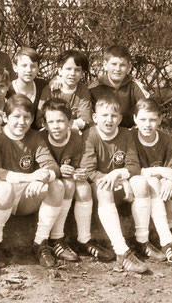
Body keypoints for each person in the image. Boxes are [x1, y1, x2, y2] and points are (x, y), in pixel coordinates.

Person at [0, 94, 64, 268]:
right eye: (16, 116)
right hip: (1, 195)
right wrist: (29, 177)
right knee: (4, 188)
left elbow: (53, 166)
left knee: (57, 186)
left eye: (26, 117)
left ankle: (41, 243)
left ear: (32, 119)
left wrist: (43, 176)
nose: (21, 122)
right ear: (5, 117)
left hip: (25, 198)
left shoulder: (35, 137)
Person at [79, 93, 150, 273]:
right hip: (100, 188)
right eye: (104, 115)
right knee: (104, 189)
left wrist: (120, 175)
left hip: (120, 184)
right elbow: (88, 170)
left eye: (113, 116)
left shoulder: (126, 134)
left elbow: (133, 165)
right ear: (95, 118)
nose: (109, 120)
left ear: (119, 118)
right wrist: (111, 179)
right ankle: (122, 251)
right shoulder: (90, 135)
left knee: (140, 183)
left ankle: (143, 241)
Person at [40, 98, 115, 262]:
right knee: (65, 184)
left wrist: (79, 172)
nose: (56, 126)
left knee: (83, 187)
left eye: (60, 121)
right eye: (51, 122)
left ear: (70, 122)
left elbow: (77, 163)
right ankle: (56, 238)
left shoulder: (76, 139)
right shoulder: (41, 138)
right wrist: (59, 172)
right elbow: (36, 166)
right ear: (45, 124)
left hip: (67, 180)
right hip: (47, 184)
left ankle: (85, 238)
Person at [132, 98, 172, 263]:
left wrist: (171, 181)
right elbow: (131, 168)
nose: (147, 124)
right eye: (142, 119)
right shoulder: (130, 137)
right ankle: (167, 243)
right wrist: (159, 171)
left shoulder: (165, 140)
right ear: (135, 119)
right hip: (136, 183)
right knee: (153, 181)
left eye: (152, 120)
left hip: (159, 186)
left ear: (160, 120)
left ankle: (165, 230)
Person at [88, 45, 149, 129]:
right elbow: (88, 117)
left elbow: (148, 111)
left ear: (129, 66)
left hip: (130, 132)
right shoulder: (94, 89)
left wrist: (137, 128)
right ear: (105, 65)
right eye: (113, 64)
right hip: (104, 132)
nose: (118, 69)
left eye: (122, 65)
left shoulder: (135, 86)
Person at [36, 49, 92, 133]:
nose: (72, 73)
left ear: (82, 72)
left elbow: (85, 118)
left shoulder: (82, 89)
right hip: (52, 132)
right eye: (68, 69)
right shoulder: (50, 89)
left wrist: (71, 125)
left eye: (77, 70)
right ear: (60, 70)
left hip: (74, 133)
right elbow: (40, 120)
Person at [7, 47, 47, 129]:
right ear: (15, 68)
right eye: (24, 66)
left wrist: (57, 79)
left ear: (38, 69)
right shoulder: (7, 90)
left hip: (37, 137)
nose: (29, 70)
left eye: (33, 66)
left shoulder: (43, 86)